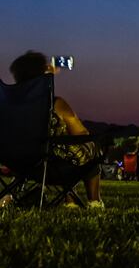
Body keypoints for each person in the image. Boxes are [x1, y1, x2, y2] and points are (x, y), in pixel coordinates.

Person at [8, 51, 104, 209]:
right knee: (89, 146)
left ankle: (69, 199)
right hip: (56, 167)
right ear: (42, 77)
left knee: (58, 146)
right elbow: (81, 134)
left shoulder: (11, 108)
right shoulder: (56, 104)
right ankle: (94, 202)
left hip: (22, 166)